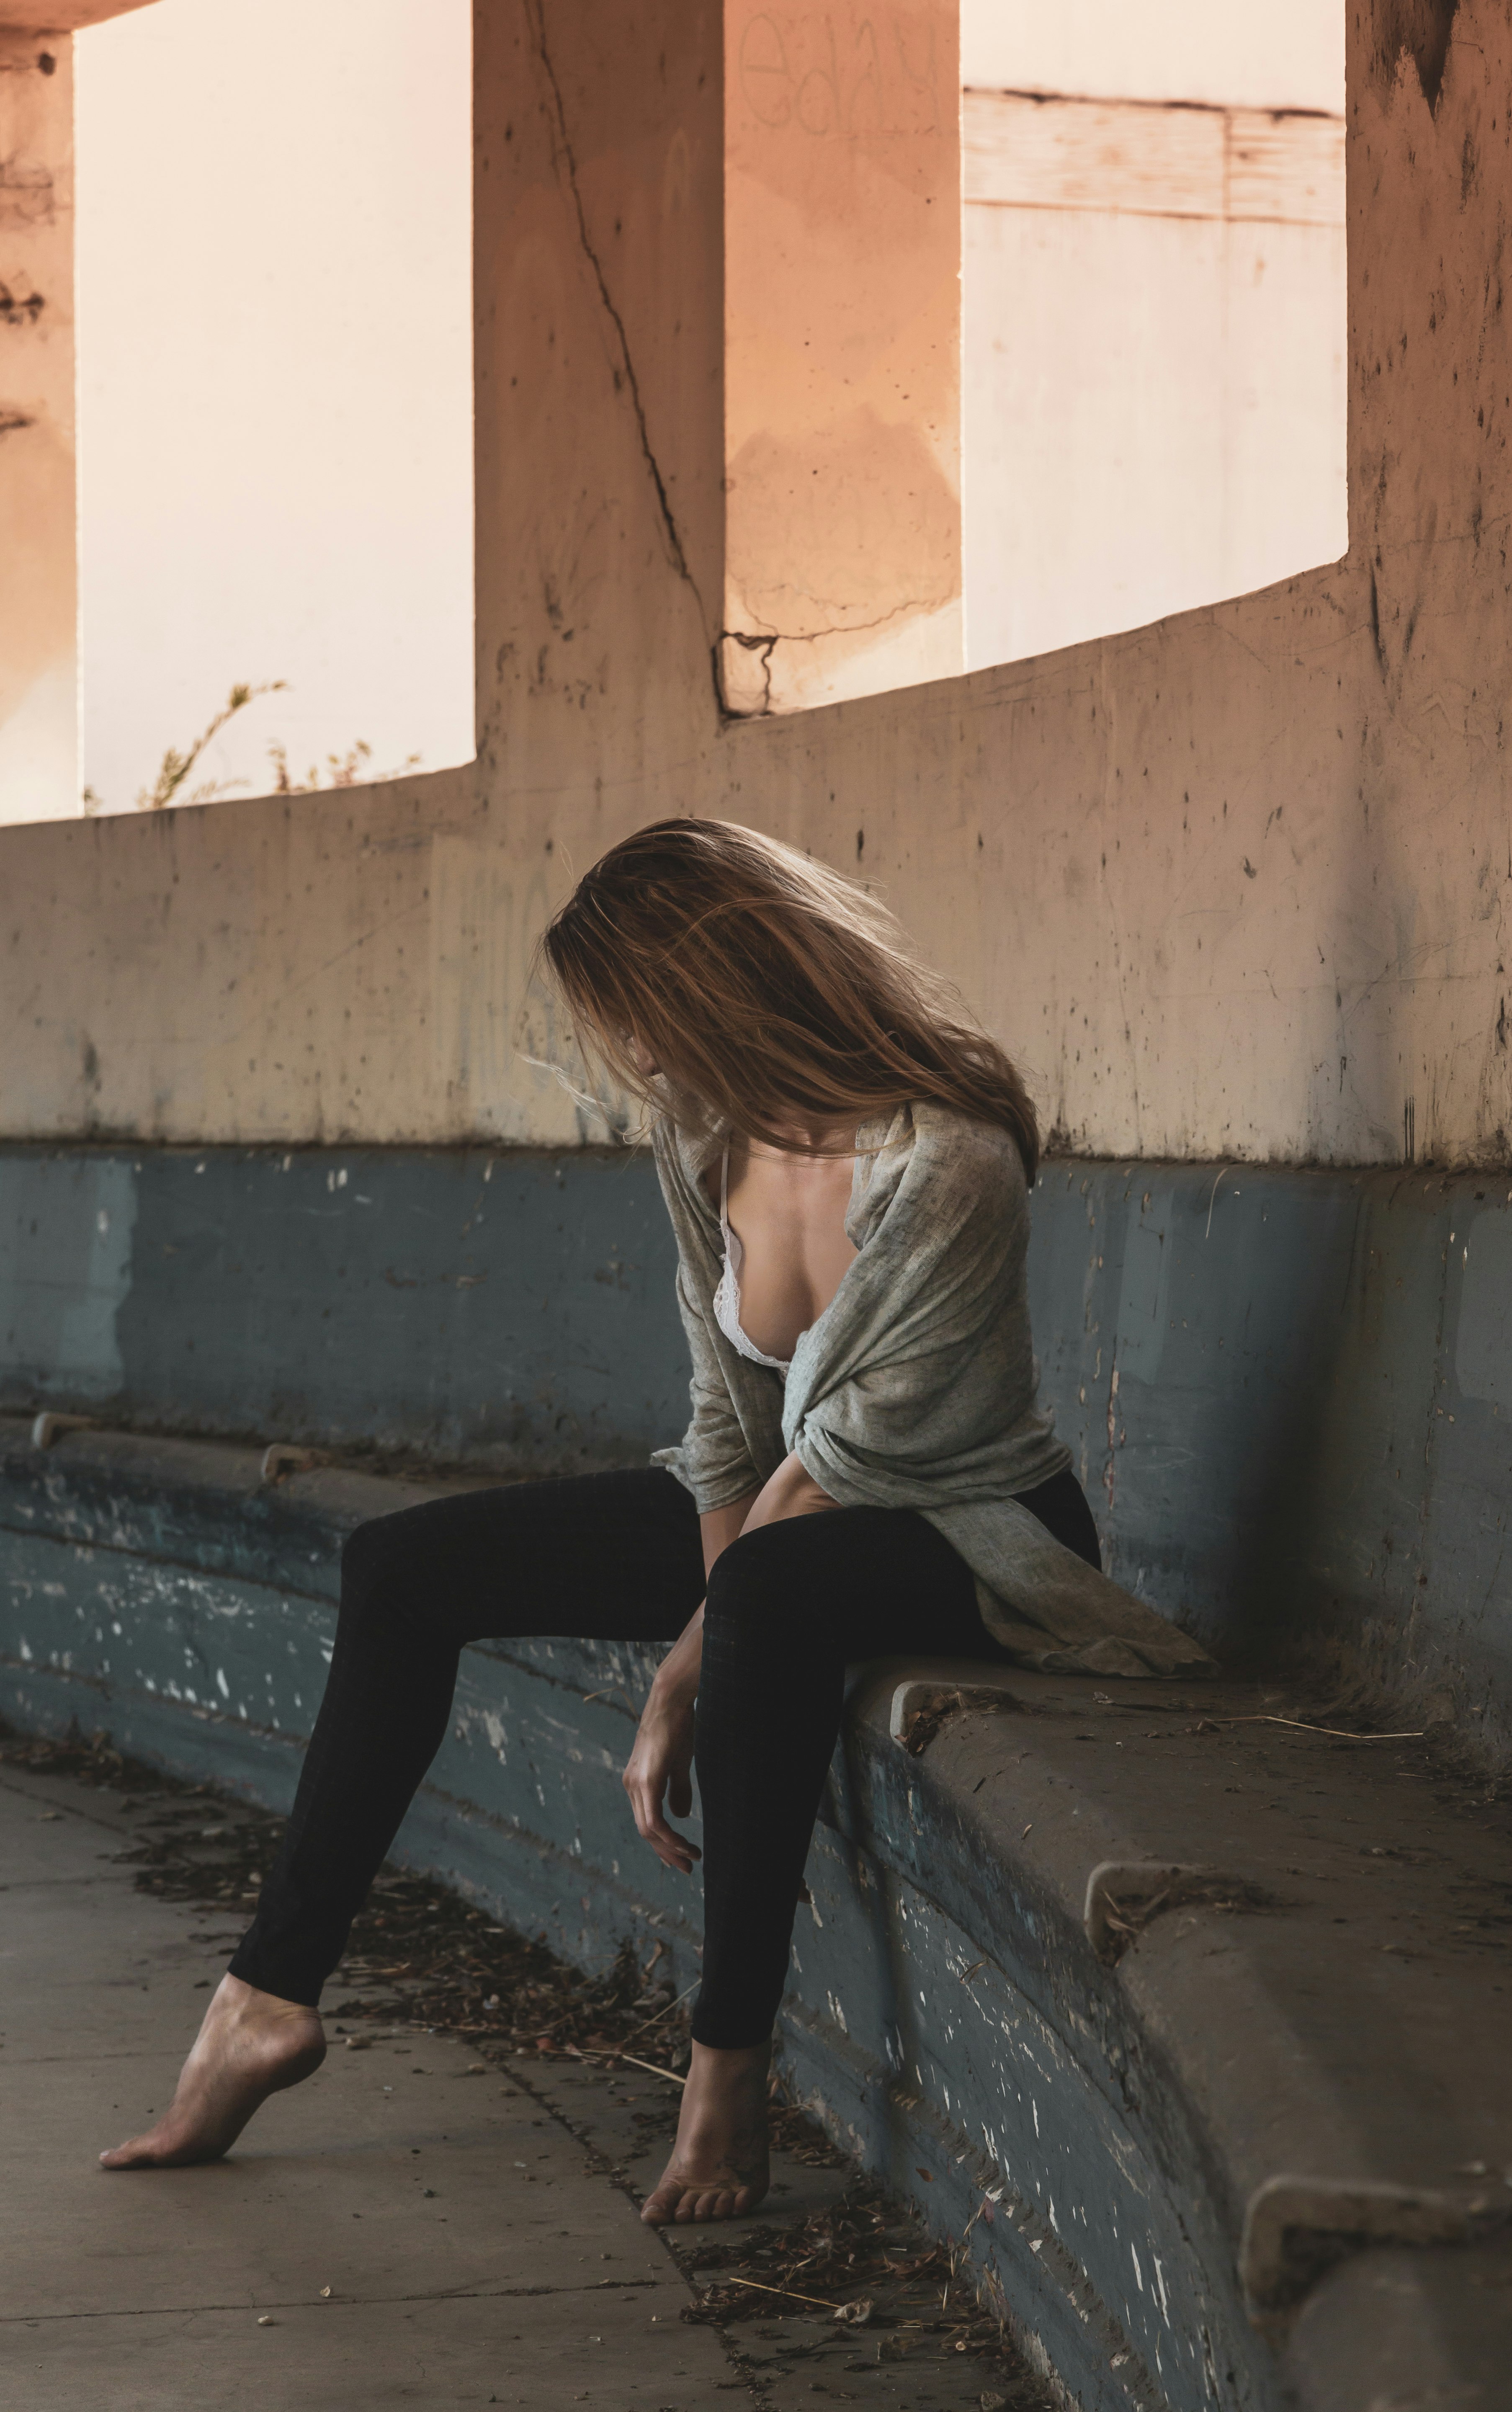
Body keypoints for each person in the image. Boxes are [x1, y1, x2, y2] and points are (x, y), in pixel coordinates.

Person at [99, 817, 1105, 2225]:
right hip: (786, 1518)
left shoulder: (948, 1157)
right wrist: (710, 1635)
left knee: (764, 1605)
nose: (630, 1053)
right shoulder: (707, 1138)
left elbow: (845, 1458)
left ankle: (726, 2067)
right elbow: (727, 1435)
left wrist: (688, 1668)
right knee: (402, 1565)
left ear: (718, 981)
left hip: (969, 1529)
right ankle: (262, 1998)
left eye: (638, 1013)